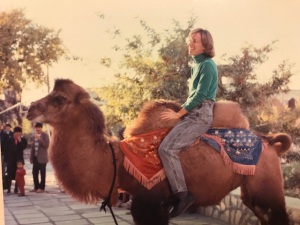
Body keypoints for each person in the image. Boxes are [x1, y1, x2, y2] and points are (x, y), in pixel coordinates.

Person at [158, 28, 218, 218]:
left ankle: (183, 195)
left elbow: (200, 95)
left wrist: (178, 114)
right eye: (189, 40)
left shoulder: (208, 64)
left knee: (166, 149)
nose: (190, 44)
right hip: (192, 113)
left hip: (200, 115)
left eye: (195, 41)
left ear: (205, 45)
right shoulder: (196, 66)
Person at [5, 126, 28, 194]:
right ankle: (8, 188)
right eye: (16, 132)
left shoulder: (23, 140)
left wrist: (20, 141)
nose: (18, 134)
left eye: (19, 132)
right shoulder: (10, 140)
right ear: (14, 133)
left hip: (19, 160)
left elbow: (23, 147)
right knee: (10, 174)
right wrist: (6, 160)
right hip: (11, 160)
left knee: (18, 174)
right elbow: (6, 149)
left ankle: (16, 188)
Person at [29, 122, 50, 193]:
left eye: (39, 127)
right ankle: (36, 187)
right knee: (34, 172)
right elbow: (32, 148)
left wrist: (39, 139)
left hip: (42, 158)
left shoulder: (45, 135)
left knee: (42, 173)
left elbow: (46, 145)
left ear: (41, 128)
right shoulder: (34, 136)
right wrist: (31, 158)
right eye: (36, 127)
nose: (37, 129)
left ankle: (42, 187)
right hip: (35, 157)